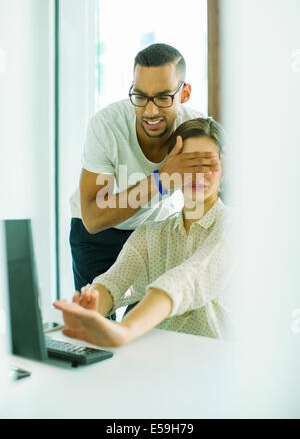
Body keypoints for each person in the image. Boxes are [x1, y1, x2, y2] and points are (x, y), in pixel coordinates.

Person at [54, 117, 235, 347]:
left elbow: (188, 279)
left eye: (208, 164)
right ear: (172, 169)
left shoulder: (235, 226)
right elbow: (115, 281)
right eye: (189, 163)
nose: (198, 174)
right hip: (157, 360)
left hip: (215, 363)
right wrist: (91, 307)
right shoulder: (152, 233)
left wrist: (125, 330)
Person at [69, 43, 220, 298]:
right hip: (97, 237)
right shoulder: (106, 125)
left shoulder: (195, 130)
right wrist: (161, 179)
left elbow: (215, 191)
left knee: (145, 321)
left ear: (184, 94)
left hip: (150, 232)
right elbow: (93, 219)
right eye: (140, 97)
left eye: (163, 97)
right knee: (95, 322)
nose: (151, 111)